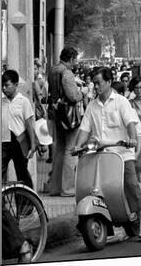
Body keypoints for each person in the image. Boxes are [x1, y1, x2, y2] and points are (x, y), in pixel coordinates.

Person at [74, 67, 141, 239]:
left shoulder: (122, 102)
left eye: (99, 83)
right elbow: (84, 129)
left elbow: (131, 123)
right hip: (99, 154)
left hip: (122, 152)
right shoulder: (92, 106)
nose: (96, 87)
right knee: (89, 184)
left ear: (109, 82)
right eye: (94, 84)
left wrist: (131, 138)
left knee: (131, 182)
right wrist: (77, 146)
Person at [47, 47, 83, 197]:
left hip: (56, 114)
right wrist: (82, 92)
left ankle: (55, 187)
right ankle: (67, 188)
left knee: (59, 150)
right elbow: (73, 96)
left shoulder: (53, 70)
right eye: (76, 59)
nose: (76, 62)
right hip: (68, 117)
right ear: (71, 58)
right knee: (70, 150)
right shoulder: (66, 73)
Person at [1, 70, 40, 189]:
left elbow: (29, 125)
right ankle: (1, 205)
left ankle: (25, 204)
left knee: (22, 174)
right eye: (2, 85)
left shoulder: (23, 102)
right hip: (4, 141)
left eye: (7, 85)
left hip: (19, 142)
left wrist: (33, 146)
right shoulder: (1, 101)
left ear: (16, 84)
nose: (4, 88)